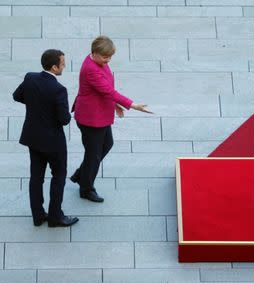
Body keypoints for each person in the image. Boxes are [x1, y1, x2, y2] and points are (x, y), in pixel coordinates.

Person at [70, 36, 151, 203]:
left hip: (99, 115)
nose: (108, 60)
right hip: (91, 118)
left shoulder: (98, 61)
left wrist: (115, 104)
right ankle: (86, 188)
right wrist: (133, 105)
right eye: (105, 57)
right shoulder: (91, 69)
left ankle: (81, 175)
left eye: (110, 57)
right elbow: (108, 91)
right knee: (94, 154)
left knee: (105, 145)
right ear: (94, 53)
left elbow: (106, 89)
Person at [13, 49, 79, 227]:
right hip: (53, 142)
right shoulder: (59, 90)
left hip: (33, 137)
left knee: (36, 177)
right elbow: (64, 119)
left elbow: (16, 96)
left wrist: (37, 105)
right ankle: (55, 217)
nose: (64, 66)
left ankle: (38, 216)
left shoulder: (30, 78)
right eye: (62, 63)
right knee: (58, 175)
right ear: (54, 67)